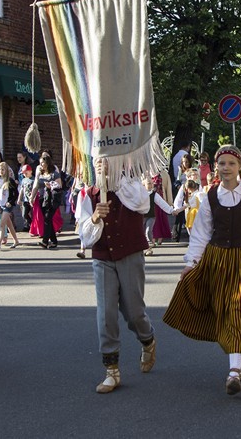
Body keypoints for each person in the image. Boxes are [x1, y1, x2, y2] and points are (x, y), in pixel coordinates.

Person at [163, 145, 241, 396]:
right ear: (216, 167)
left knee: (238, 307)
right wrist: (191, 263)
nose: (226, 168)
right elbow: (201, 233)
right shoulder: (209, 197)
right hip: (217, 261)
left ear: (240, 167)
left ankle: (232, 373)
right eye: (222, 164)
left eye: (231, 163)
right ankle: (239, 361)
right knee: (223, 311)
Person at [78, 158, 156, 394]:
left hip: (130, 254)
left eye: (108, 162)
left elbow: (143, 205)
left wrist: (116, 181)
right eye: (100, 162)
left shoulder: (131, 185)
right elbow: (84, 235)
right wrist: (94, 218)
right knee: (106, 313)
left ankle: (148, 339)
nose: (103, 165)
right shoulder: (89, 194)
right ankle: (111, 369)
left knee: (133, 311)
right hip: (102, 257)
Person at [30, 154, 62, 249]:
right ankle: (54, 241)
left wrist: (50, 185)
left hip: (52, 199)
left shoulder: (54, 173)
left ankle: (45, 241)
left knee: (48, 218)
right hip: (42, 199)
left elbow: (59, 185)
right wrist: (32, 197)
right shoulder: (40, 173)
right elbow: (36, 186)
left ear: (47, 162)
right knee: (47, 220)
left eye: (42, 162)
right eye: (40, 163)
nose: (41, 165)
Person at [0, 161, 21, 250]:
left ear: (7, 170)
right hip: (1, 205)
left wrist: (11, 202)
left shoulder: (10, 181)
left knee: (1, 224)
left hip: (7, 205)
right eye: (0, 170)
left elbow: (15, 193)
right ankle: (16, 240)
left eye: (3, 170)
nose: (1, 172)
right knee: (9, 224)